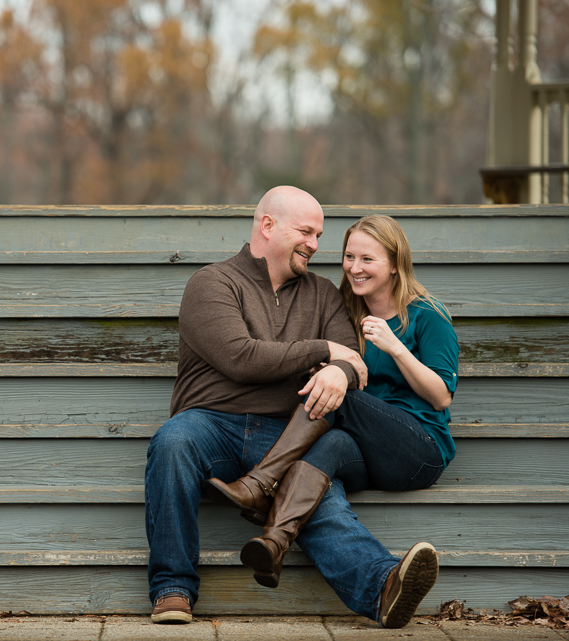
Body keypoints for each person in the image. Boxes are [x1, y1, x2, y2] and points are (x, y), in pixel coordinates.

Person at [145, 186, 458, 627]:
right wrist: (323, 350)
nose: (315, 244)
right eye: (306, 232)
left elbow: (353, 362)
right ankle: (173, 589)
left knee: (316, 488)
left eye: (319, 234)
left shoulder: (325, 294)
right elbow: (241, 357)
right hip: (211, 424)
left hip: (290, 426)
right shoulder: (212, 283)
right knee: (172, 442)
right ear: (268, 226)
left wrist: (338, 371)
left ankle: (382, 588)